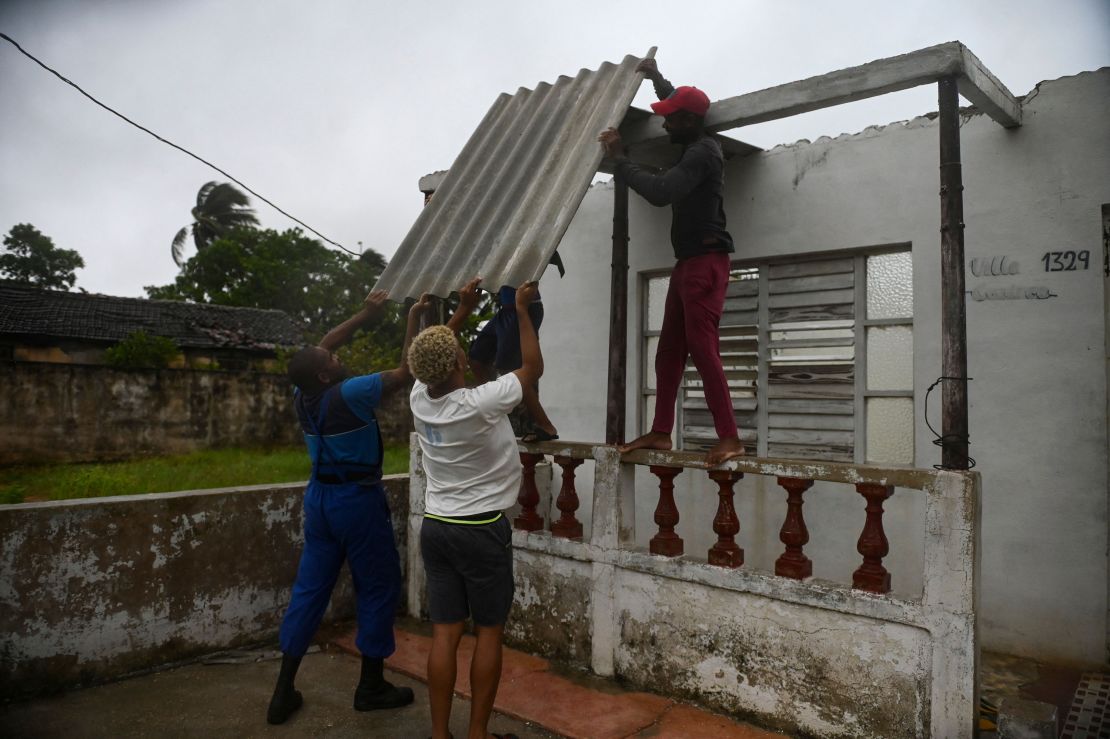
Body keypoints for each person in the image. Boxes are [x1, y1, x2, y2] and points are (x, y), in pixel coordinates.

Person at [267, 289, 429, 725]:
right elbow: (406, 371)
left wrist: (366, 314)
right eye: (331, 362)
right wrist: (410, 318)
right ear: (324, 375)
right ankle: (371, 687)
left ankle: (283, 691)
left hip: (318, 499)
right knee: (377, 586)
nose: (336, 357)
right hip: (356, 501)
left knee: (309, 589)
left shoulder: (305, 396)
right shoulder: (353, 393)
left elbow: (326, 344)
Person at [598, 57, 745, 466]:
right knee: (668, 352)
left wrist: (621, 160)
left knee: (703, 348)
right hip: (689, 262)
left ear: (689, 122)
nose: (663, 124)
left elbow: (662, 192)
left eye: (670, 119)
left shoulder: (701, 154)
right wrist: (657, 79)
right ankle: (662, 432)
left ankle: (730, 438)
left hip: (706, 262)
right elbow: (679, 103)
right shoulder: (695, 137)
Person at [408, 276, 537, 739]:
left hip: (437, 527)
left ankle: (441, 735)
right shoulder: (483, 402)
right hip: (482, 529)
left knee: (444, 634)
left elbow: (432, 357)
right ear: (460, 360)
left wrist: (460, 312)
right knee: (487, 633)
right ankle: (477, 735)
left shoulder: (420, 398)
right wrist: (521, 311)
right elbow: (532, 369)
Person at [468, 284, 558, 442]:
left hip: (525, 306)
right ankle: (493, 407)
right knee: (476, 358)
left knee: (514, 371)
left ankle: (545, 426)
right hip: (506, 310)